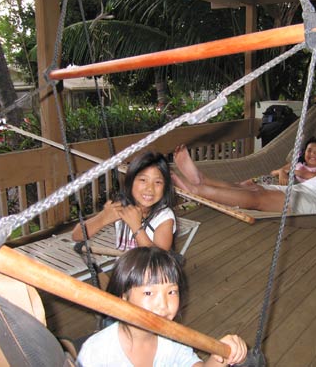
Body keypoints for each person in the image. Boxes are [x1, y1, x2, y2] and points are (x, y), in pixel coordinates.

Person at [76, 247, 248, 366]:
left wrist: (223, 355)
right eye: (149, 293)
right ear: (124, 297)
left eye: (172, 292)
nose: (163, 304)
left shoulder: (173, 340)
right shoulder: (96, 352)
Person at [172, 131, 316, 214]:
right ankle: (202, 179)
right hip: (300, 189)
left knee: (257, 199)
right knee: (250, 187)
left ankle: (198, 189)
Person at [72, 151, 176, 251]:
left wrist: (136, 227)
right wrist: (102, 218)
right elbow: (76, 235)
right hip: (124, 268)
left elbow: (159, 261)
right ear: (130, 181)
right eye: (143, 180)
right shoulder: (122, 207)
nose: (150, 188)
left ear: (165, 186)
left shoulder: (164, 216)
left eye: (158, 182)